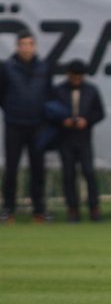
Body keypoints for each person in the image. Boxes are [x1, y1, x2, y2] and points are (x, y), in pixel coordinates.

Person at [0, 29, 52, 224]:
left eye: (29, 44)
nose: (26, 48)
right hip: (14, 125)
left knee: (38, 169)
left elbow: (48, 94)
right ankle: (8, 209)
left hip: (37, 126)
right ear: (17, 46)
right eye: (22, 45)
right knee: (11, 169)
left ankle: (39, 209)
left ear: (34, 46)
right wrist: (12, 111)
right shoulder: (7, 67)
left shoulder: (44, 67)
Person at [46, 59, 106, 222]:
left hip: (84, 137)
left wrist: (86, 120)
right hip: (65, 138)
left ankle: (94, 207)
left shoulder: (91, 91)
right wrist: (62, 121)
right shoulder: (58, 91)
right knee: (68, 174)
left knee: (89, 172)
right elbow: (49, 112)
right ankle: (72, 209)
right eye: (74, 77)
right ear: (68, 75)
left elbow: (99, 113)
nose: (77, 80)